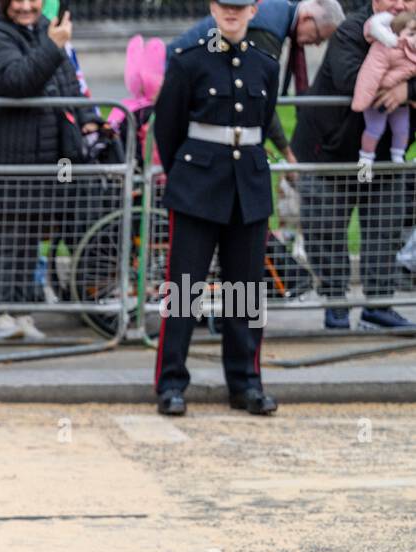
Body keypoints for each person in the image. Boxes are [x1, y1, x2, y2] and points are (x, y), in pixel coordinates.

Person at [153, 0, 280, 417]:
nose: (232, 13)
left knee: (245, 292)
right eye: (225, 6)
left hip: (249, 189)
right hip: (198, 186)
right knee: (184, 292)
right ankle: (172, 383)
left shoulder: (265, 63)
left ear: (254, 10)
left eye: (240, 7)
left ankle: (246, 383)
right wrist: (185, 175)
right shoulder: (188, 61)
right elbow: (167, 127)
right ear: (212, 7)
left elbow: (263, 119)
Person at [0, 0, 97, 343]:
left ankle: (22, 311)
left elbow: (68, 84)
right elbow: (15, 81)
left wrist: (88, 121)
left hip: (42, 155)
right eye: (18, 0)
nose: (26, 6)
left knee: (28, 240)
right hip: (1, 156)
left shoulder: (45, 32)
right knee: (0, 239)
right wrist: (52, 47)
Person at [293, 0, 416, 330]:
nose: (401, 4)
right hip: (330, 151)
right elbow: (351, 80)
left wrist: (410, 87)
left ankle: (378, 306)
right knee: (326, 229)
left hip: (383, 156)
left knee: (384, 229)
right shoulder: (352, 30)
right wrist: (403, 84)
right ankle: (337, 304)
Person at [171, 0, 344, 165]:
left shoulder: (279, 12)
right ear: (307, 18)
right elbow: (258, 98)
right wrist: (288, 155)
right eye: (319, 36)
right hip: (172, 77)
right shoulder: (268, 29)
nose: (316, 44)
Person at [352, 10, 416, 163]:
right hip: (377, 98)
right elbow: (371, 72)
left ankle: (398, 158)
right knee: (375, 129)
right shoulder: (385, 48)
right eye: (412, 33)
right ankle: (365, 162)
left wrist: (409, 91)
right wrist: (364, 97)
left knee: (402, 129)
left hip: (402, 103)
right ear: (399, 32)